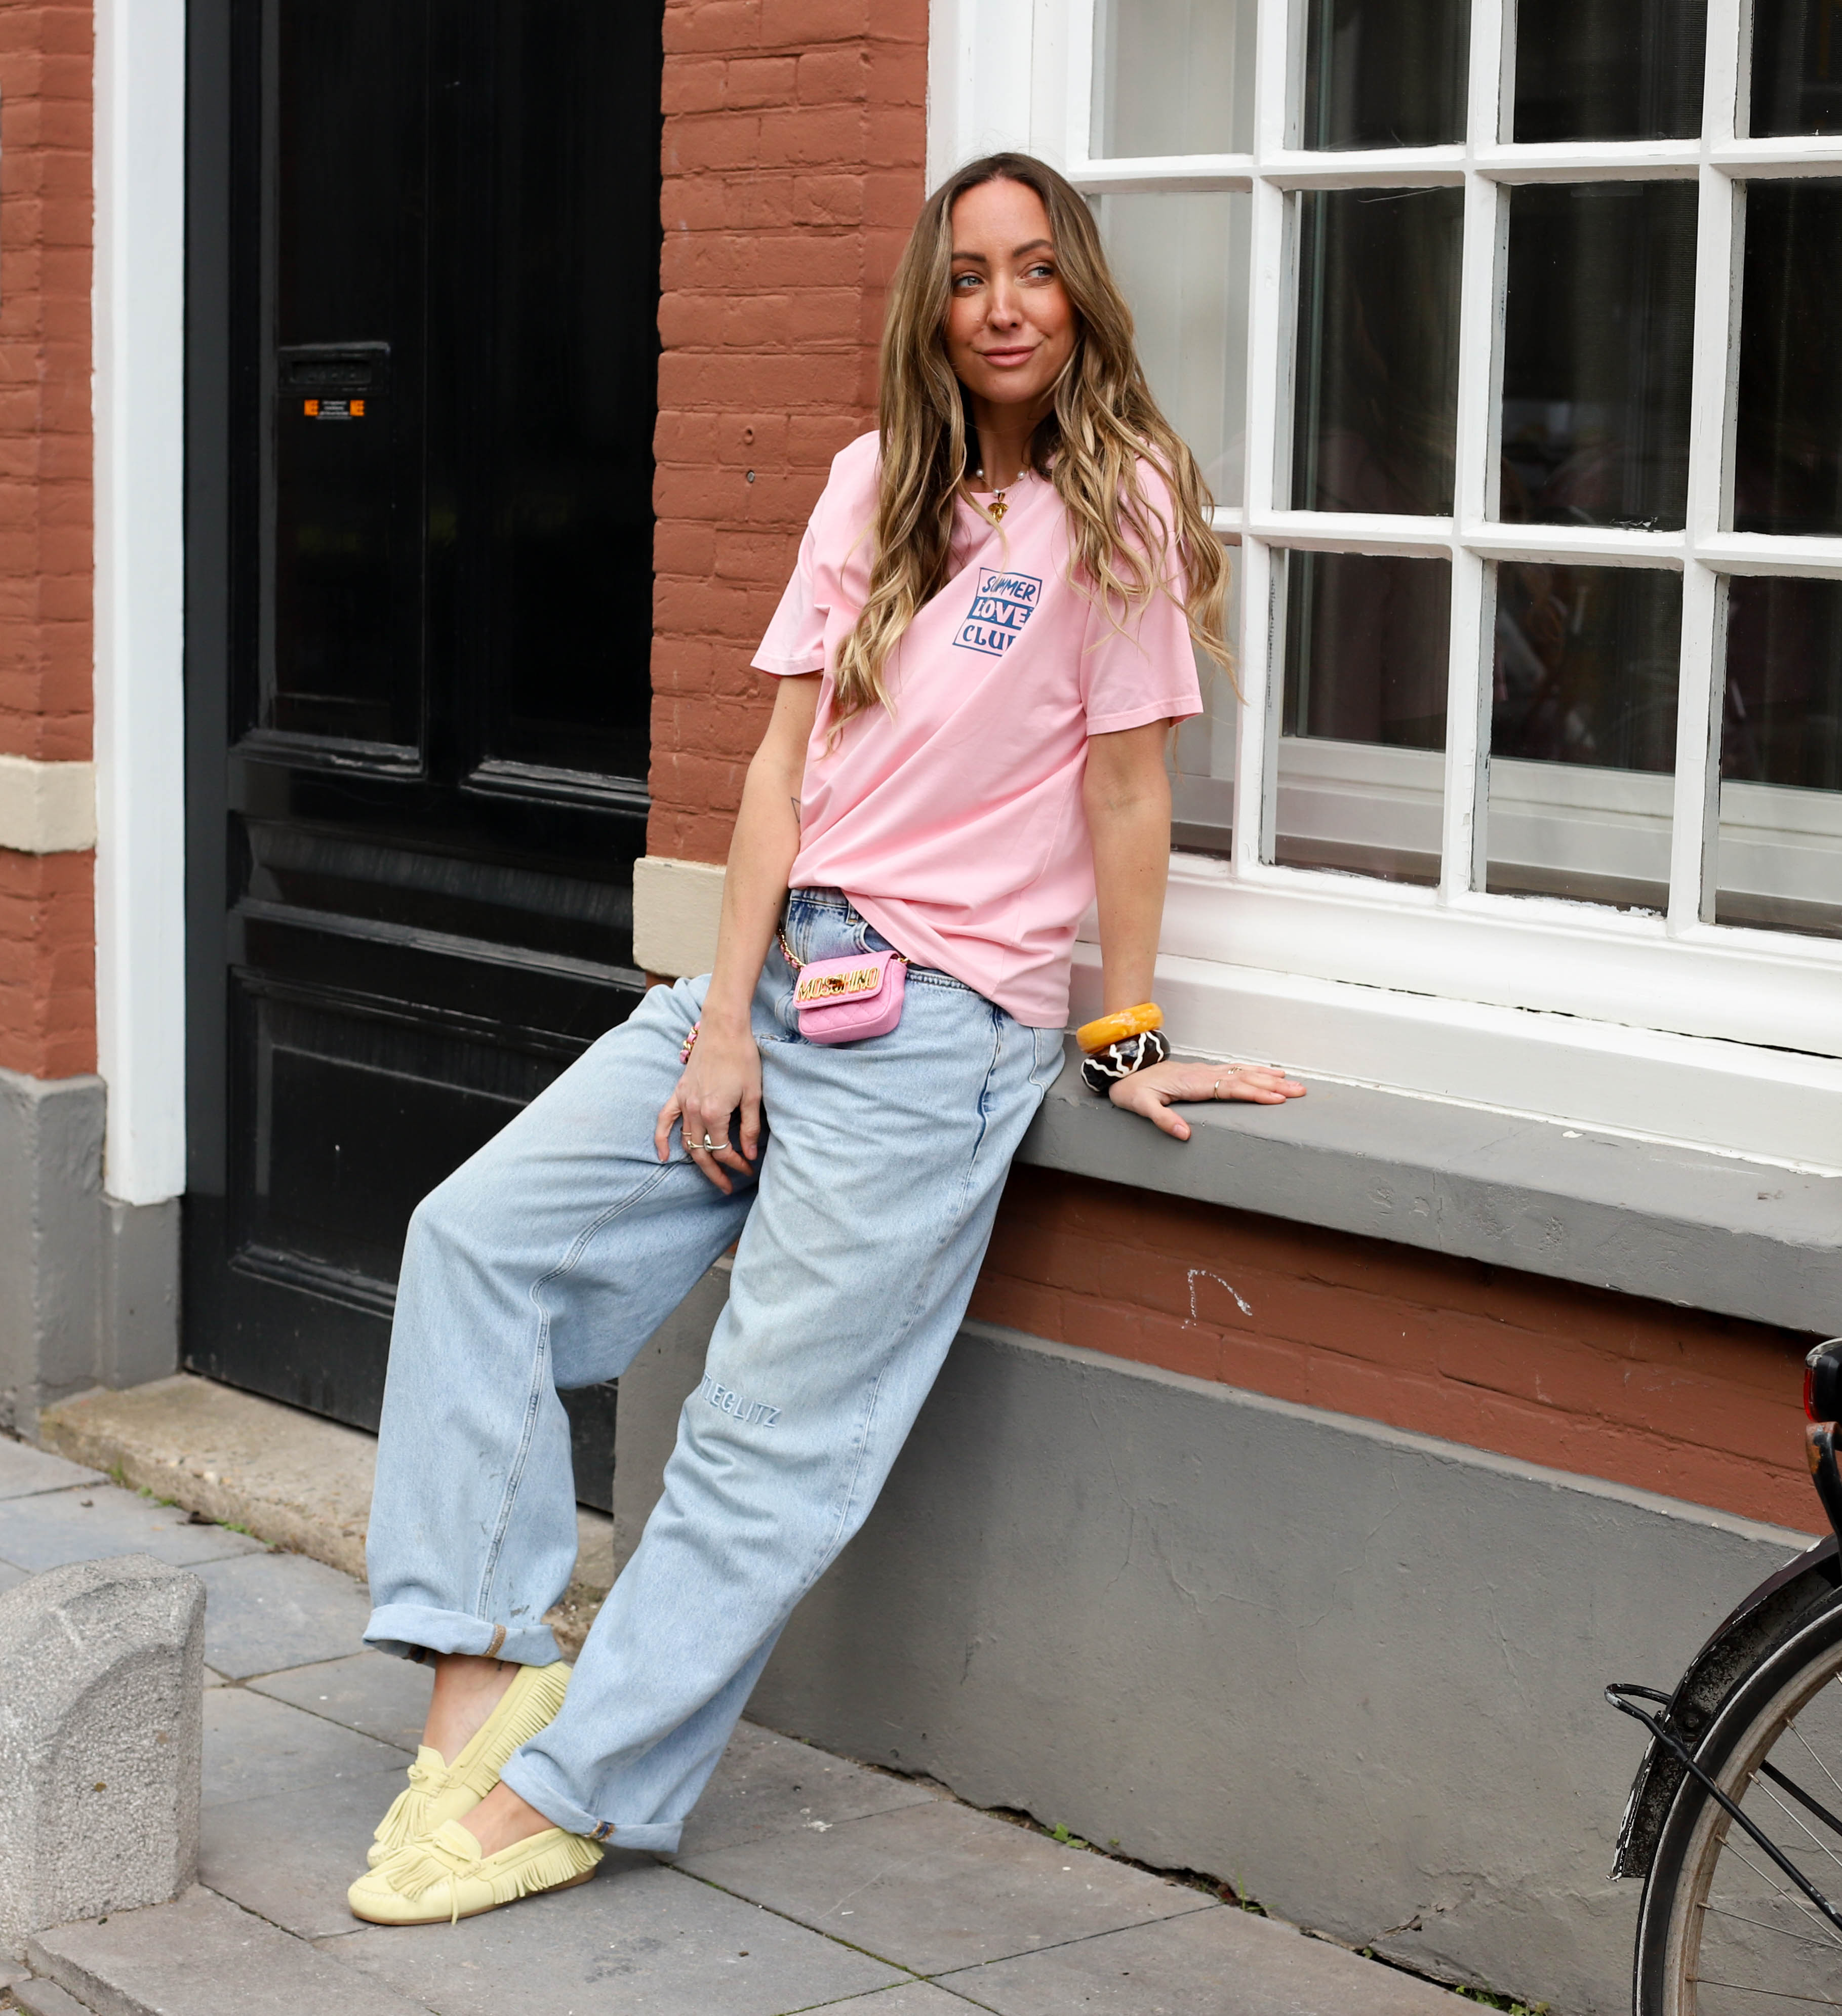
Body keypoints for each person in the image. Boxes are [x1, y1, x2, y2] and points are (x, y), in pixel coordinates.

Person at [346, 151, 1307, 1926]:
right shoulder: (872, 483)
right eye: (970, 275)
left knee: (760, 1432)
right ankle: (480, 1677)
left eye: (1036, 269)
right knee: (477, 1239)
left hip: (937, 1028)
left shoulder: (1127, 501)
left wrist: (1124, 1041)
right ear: (929, 307)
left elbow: (1126, 791)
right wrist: (721, 1019)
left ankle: (573, 1788)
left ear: (1081, 293)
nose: (1004, 306)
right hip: (785, 974)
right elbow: (784, 772)